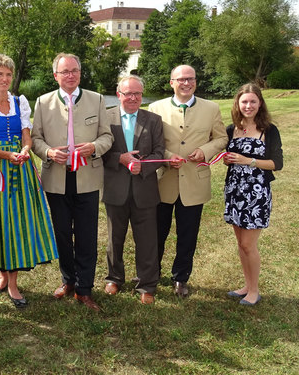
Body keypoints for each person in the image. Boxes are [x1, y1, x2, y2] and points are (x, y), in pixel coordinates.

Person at [31, 53, 113, 312]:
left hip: (87, 177)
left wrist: (94, 147)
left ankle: (85, 289)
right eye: (65, 71)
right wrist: (48, 152)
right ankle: (68, 281)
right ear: (55, 75)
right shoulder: (43, 102)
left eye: (74, 70)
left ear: (80, 72)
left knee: (87, 235)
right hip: (56, 178)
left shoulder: (96, 99)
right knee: (62, 235)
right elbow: (35, 138)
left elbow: (107, 136)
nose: (70, 75)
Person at [0, 55, 58, 308]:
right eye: (0, 74)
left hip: (20, 169)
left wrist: (24, 150)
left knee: (18, 223)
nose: (4, 79)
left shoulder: (20, 102)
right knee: (0, 223)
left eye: (8, 75)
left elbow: (27, 136)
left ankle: (13, 282)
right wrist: (7, 155)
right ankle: (3, 277)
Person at [147, 65, 227, 297]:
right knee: (156, 232)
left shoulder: (211, 108)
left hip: (195, 181)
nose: (186, 83)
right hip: (164, 180)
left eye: (190, 79)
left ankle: (181, 278)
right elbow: (151, 142)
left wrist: (205, 150)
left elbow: (221, 138)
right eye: (181, 79)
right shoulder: (156, 107)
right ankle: (151, 273)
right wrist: (167, 157)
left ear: (196, 82)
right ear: (171, 82)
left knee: (188, 234)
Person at [102, 75, 164, 304]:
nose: (133, 98)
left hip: (144, 189)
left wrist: (143, 167)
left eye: (137, 93)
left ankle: (147, 285)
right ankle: (114, 278)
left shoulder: (154, 120)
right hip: (115, 188)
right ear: (119, 94)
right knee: (114, 238)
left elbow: (160, 153)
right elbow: (100, 152)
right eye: (128, 93)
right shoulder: (106, 118)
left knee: (147, 240)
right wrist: (120, 158)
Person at [223, 83, 283, 306]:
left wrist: (249, 161)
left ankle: (255, 291)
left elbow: (277, 163)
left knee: (249, 244)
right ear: (238, 104)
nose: (248, 106)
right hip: (234, 190)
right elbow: (229, 159)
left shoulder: (269, 130)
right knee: (241, 243)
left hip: (256, 195)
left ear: (260, 104)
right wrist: (229, 159)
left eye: (253, 102)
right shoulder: (232, 129)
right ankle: (247, 286)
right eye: (244, 101)